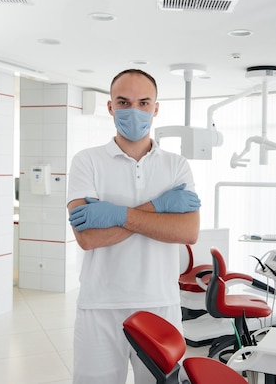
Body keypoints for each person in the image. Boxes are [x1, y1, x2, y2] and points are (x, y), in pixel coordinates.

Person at [67, 69, 201, 384]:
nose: (134, 111)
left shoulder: (176, 166)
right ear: (111, 107)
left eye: (143, 102)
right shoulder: (87, 161)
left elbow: (187, 232)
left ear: (155, 108)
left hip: (160, 303)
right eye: (124, 102)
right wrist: (159, 208)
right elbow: (87, 238)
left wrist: (113, 213)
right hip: (99, 305)